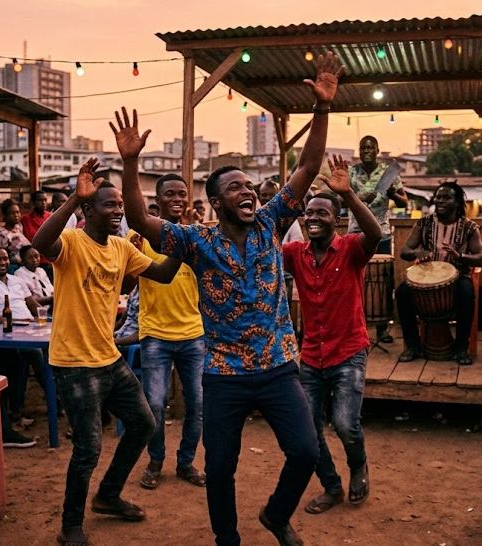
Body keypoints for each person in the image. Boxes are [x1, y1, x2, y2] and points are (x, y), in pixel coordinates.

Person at [118, 51, 343, 546]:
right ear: (216, 202)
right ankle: (227, 540)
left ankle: (277, 516)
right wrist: (131, 163)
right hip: (223, 375)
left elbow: (307, 165)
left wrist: (322, 108)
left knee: (305, 452)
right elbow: (139, 219)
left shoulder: (271, 223)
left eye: (249, 186)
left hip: (279, 369)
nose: (247, 193)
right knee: (220, 469)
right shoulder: (195, 241)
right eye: (235, 188)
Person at [31, 155, 183, 546]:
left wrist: (185, 242)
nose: (118, 210)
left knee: (144, 424)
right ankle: (71, 525)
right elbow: (40, 242)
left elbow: (163, 274)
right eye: (109, 204)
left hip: (109, 358)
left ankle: (108, 495)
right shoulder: (71, 243)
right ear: (87, 209)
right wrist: (70, 199)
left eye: (119, 205)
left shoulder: (121, 248)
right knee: (89, 448)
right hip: (74, 363)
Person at [282, 155, 382, 515]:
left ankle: (358, 466)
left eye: (322, 213)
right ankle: (331, 485)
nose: (313, 218)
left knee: (344, 423)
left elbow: (376, 234)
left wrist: (349, 193)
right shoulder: (294, 254)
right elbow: (261, 250)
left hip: (349, 351)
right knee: (308, 432)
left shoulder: (352, 248)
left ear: (337, 220)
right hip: (311, 355)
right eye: (309, 213)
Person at [129, 173, 207, 492]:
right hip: (156, 335)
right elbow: (129, 281)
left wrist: (195, 236)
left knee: (198, 403)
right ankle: (156, 460)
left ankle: (186, 462)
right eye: (170, 193)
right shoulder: (142, 237)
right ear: (158, 201)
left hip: (193, 333)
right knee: (156, 403)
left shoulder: (197, 236)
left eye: (182, 193)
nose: (177, 198)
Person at [396, 181, 482, 366]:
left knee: (467, 292)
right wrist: (417, 253)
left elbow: (481, 258)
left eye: (447, 197)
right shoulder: (424, 224)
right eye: (438, 197)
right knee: (402, 292)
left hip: (457, 277)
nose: (441, 201)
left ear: (457, 201)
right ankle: (413, 346)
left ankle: (461, 347)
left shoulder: (469, 227)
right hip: (427, 278)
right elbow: (404, 251)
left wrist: (460, 256)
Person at [0, 246, 46, 432]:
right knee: (34, 353)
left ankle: (51, 400)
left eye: (5, 259)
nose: (3, 263)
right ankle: (52, 401)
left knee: (54, 349)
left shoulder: (17, 280)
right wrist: (20, 323)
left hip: (30, 329)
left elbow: (33, 305)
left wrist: (49, 317)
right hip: (4, 335)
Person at [347, 135, 408, 253]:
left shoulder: (388, 173)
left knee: (382, 268)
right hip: (355, 233)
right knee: (356, 269)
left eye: (370, 148)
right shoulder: (351, 172)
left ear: (377, 151)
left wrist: (393, 194)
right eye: (363, 148)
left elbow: (404, 202)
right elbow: (339, 202)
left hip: (382, 233)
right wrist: (358, 198)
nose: (366, 151)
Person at [256, 180, 305, 244]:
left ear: (277, 197)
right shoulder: (254, 218)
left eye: (272, 195)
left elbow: (298, 243)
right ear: (259, 197)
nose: (268, 198)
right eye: (264, 195)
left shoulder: (288, 218)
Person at [0, 198, 31, 266]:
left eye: (17, 212)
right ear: (5, 215)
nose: (16, 215)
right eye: (12, 213)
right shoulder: (3, 234)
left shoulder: (19, 227)